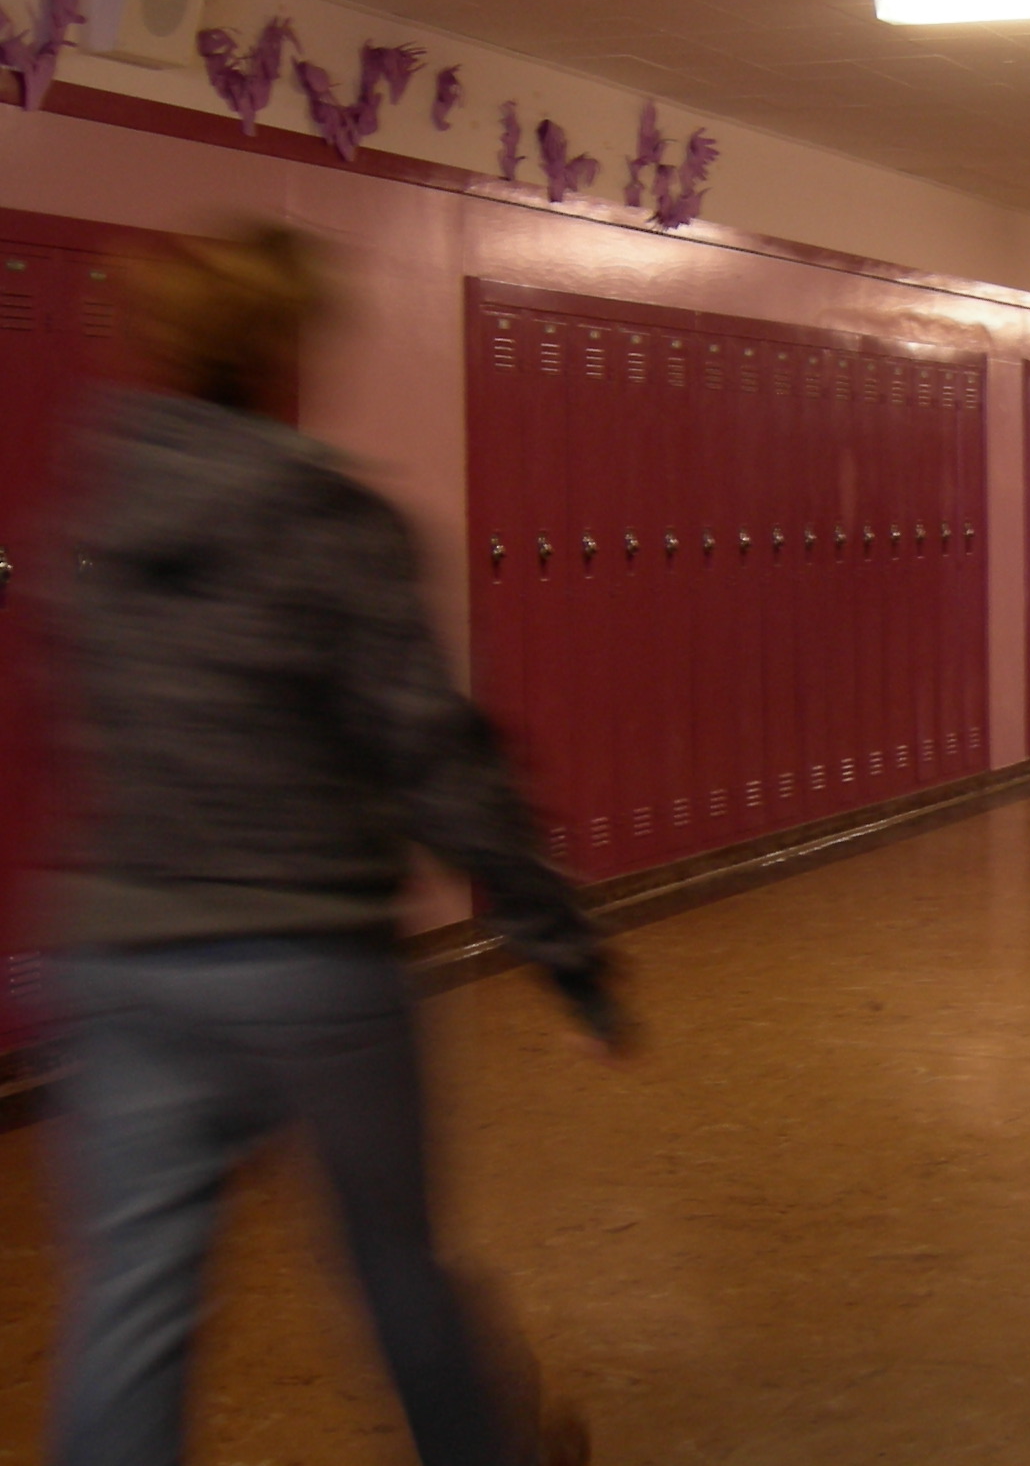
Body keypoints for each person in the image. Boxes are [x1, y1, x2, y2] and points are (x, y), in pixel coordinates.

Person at [36, 226, 619, 1466]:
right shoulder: (330, 516)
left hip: (125, 956)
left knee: (131, 1303)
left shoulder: (104, 511)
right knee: (394, 1261)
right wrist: (565, 949)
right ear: (281, 355)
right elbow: (436, 755)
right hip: (306, 961)